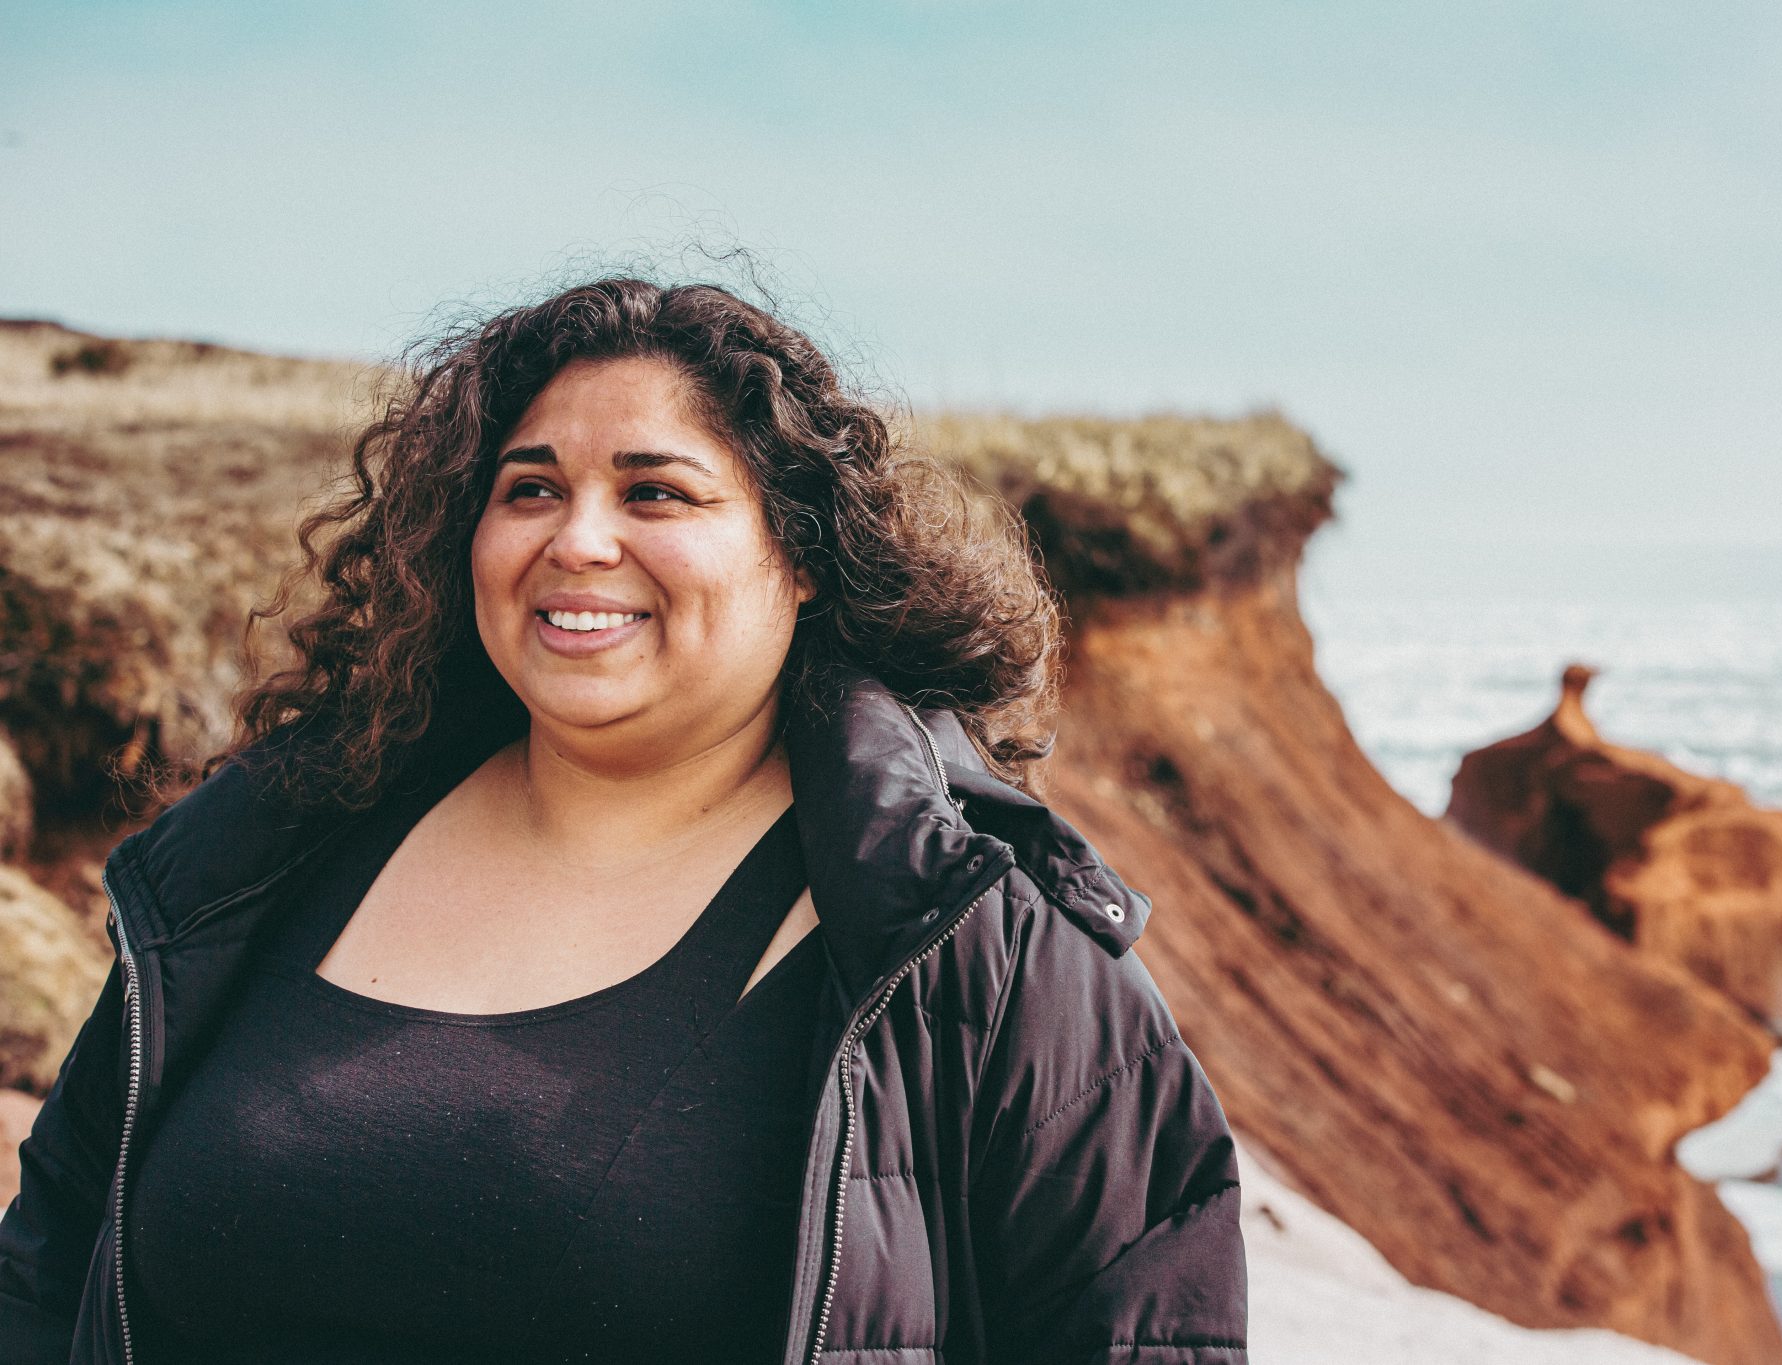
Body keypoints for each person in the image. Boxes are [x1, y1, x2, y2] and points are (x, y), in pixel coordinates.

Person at [0, 277, 1250, 1364]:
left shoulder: (973, 942)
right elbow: (43, 1281)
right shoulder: (262, 858)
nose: (578, 539)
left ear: (801, 558)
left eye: (656, 492)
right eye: (529, 487)